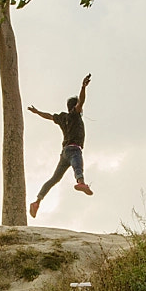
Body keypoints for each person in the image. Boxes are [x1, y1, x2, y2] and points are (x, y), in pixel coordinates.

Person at [27, 74, 93, 219]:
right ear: (76, 108)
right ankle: (81, 183)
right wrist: (83, 87)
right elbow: (81, 101)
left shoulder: (62, 117)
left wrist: (37, 112)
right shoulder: (75, 115)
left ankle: (37, 201)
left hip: (64, 153)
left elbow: (49, 116)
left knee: (54, 179)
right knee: (78, 166)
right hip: (74, 149)